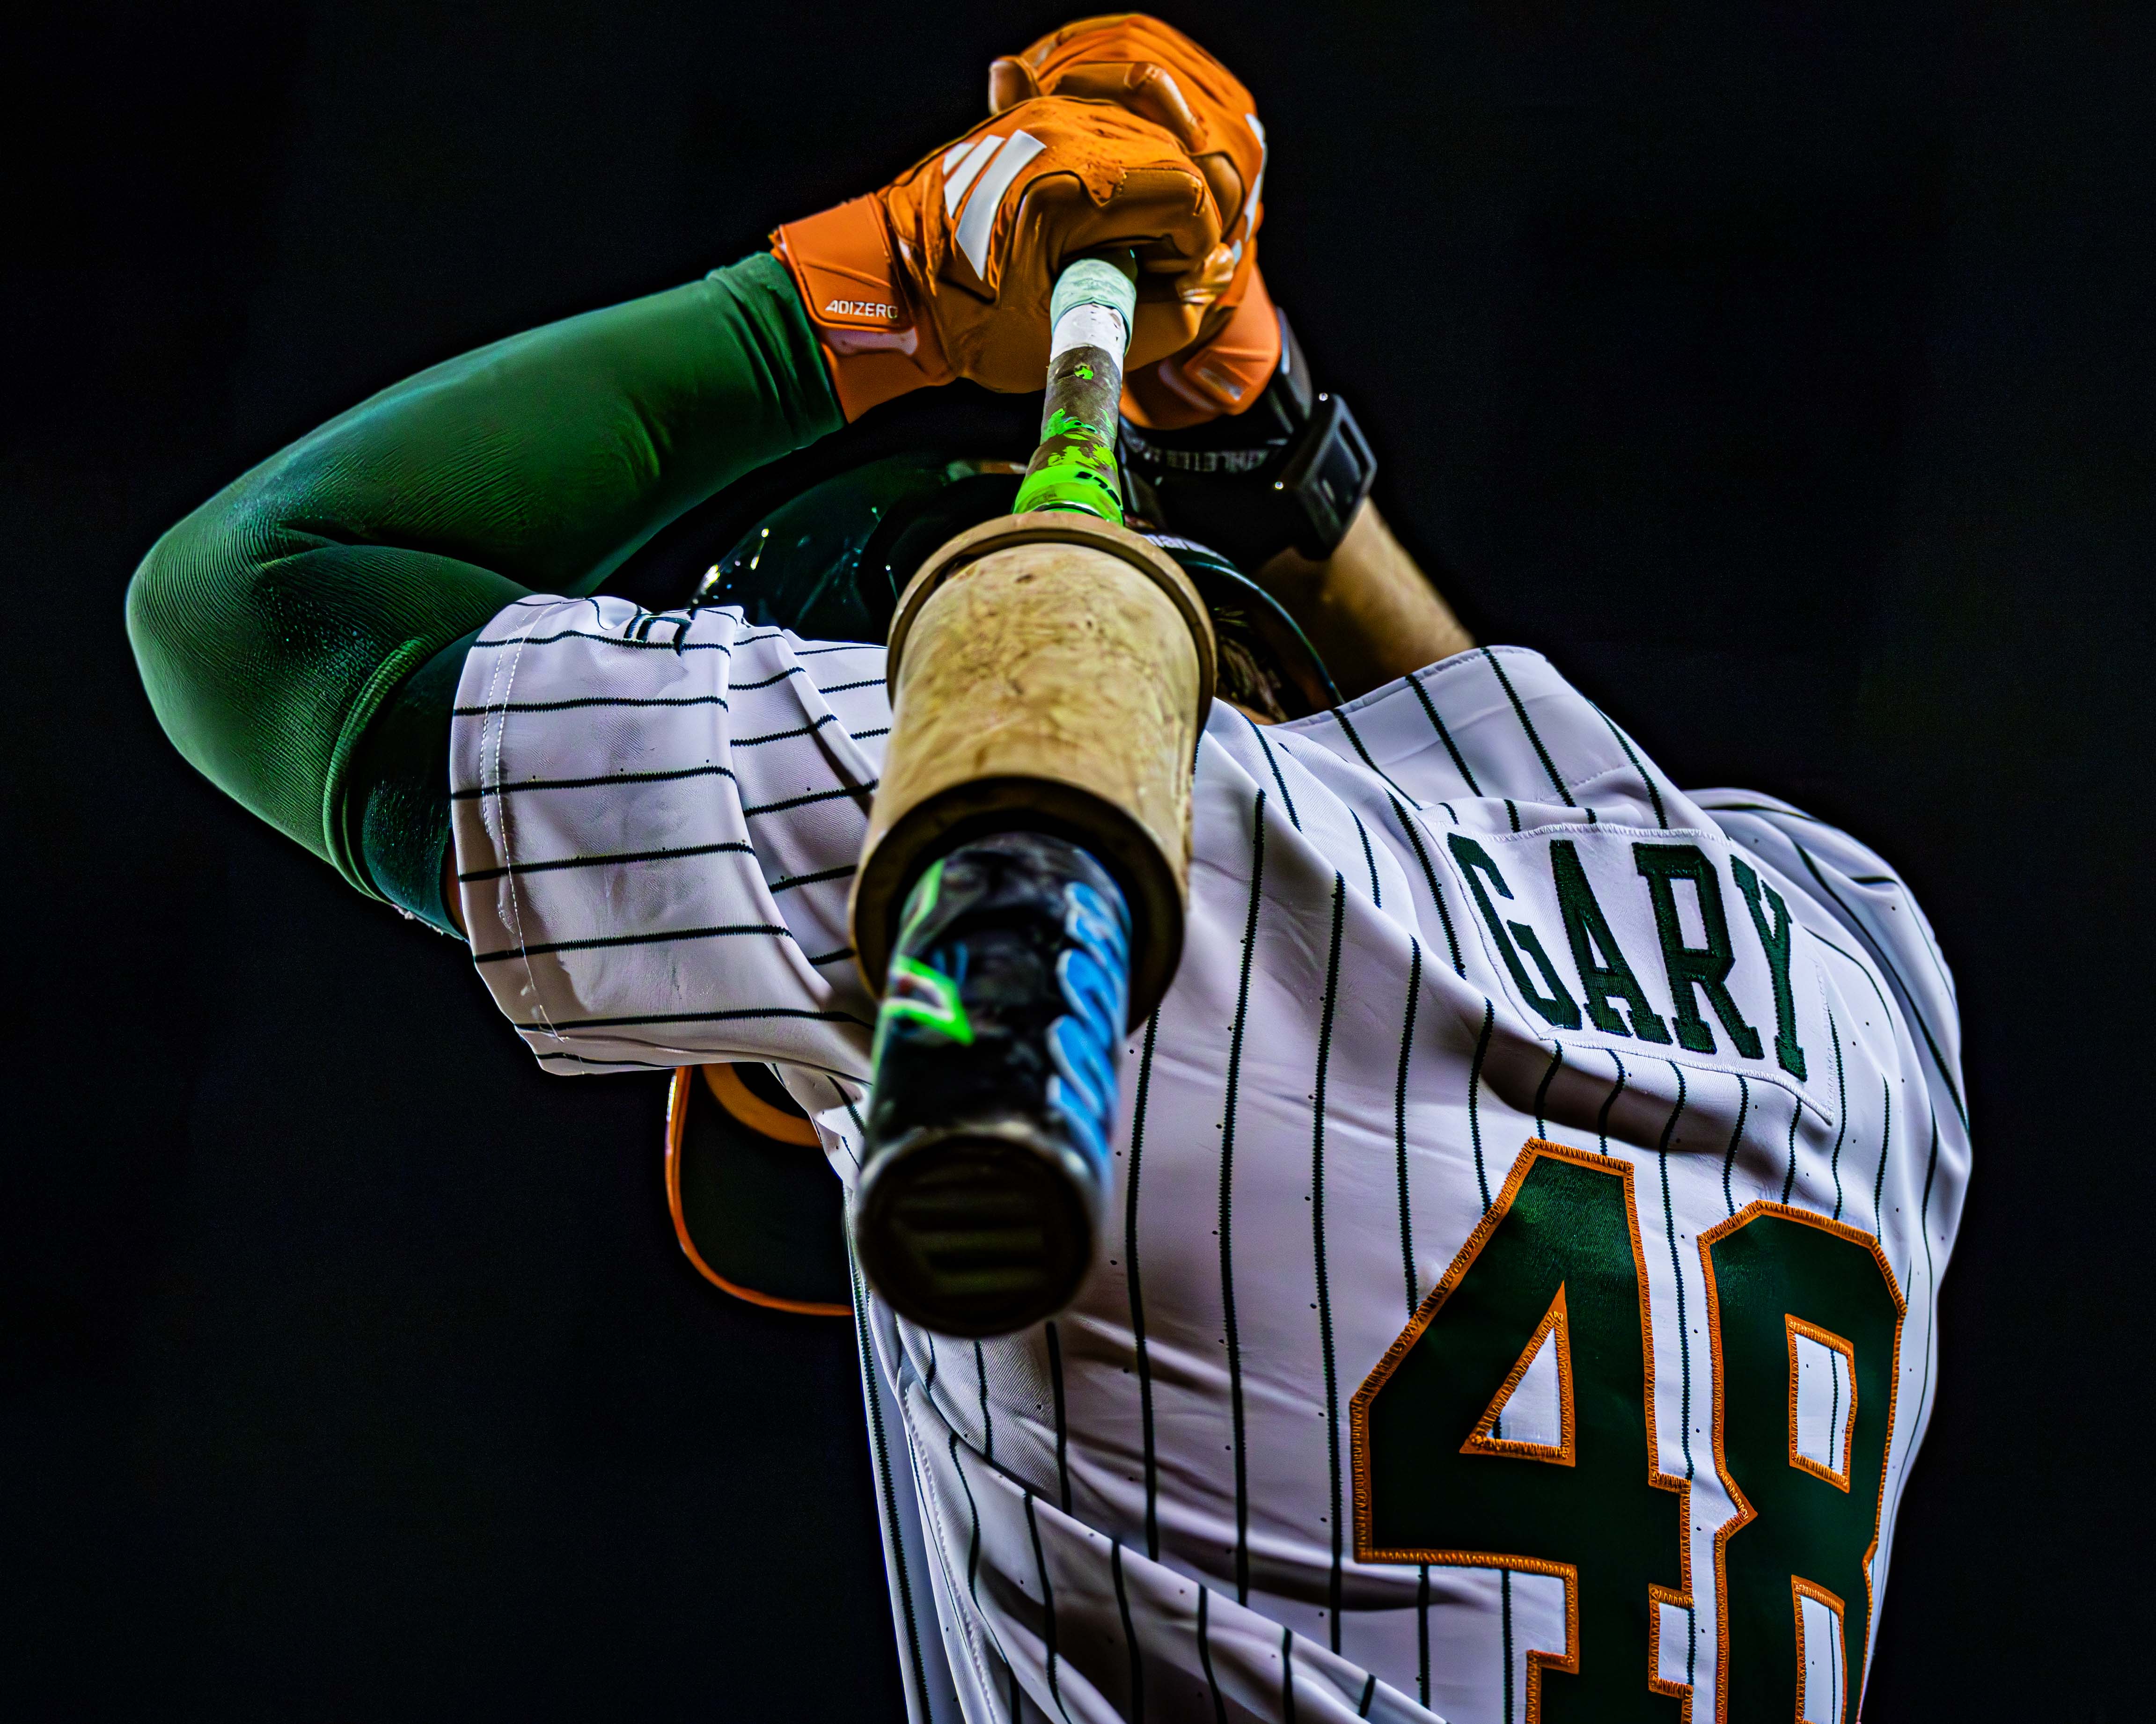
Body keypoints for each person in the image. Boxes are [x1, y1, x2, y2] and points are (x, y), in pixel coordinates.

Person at [126, 15, 1967, 1722]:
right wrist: (1265, 451)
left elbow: (251, 603)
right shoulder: (1856, 980)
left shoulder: (975, 817)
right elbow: (1510, 797)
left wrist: (868, 294)